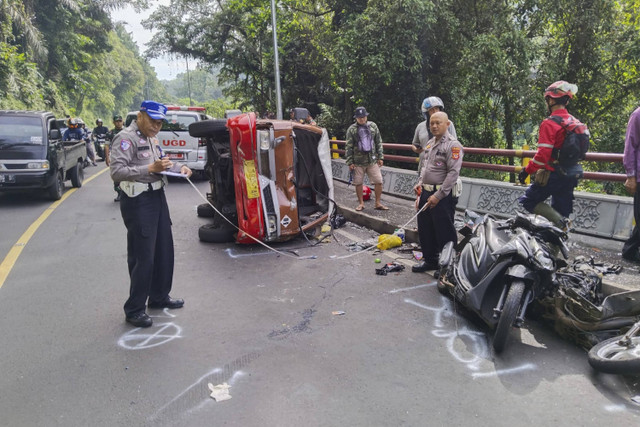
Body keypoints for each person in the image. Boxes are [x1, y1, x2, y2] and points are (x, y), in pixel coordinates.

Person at [110, 100, 192, 328]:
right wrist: (149, 169)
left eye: (160, 123)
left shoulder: (152, 138)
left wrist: (179, 168)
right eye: (153, 121)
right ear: (140, 115)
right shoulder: (126, 138)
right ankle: (135, 308)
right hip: (138, 201)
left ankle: (159, 296)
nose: (156, 126)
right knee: (143, 255)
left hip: (157, 197)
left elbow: (162, 164)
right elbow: (116, 172)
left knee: (163, 250)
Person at [518, 81, 583, 230]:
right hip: (572, 174)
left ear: (551, 100)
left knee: (528, 201)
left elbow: (542, 156)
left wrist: (527, 170)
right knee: (562, 210)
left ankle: (561, 222)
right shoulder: (575, 122)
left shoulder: (550, 123)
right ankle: (555, 248)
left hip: (553, 174)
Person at [412, 111, 463, 273]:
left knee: (444, 230)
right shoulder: (430, 143)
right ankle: (430, 260)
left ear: (447, 124)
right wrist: (419, 184)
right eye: (431, 123)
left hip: (443, 194)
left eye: (438, 123)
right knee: (425, 227)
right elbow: (425, 168)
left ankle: (447, 265)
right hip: (426, 192)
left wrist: (438, 195)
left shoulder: (453, 145)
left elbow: (453, 174)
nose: (434, 126)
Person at [344, 106, 388, 211]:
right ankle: (361, 203)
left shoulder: (373, 126)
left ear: (366, 116)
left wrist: (380, 156)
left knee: (379, 181)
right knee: (358, 183)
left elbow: (378, 142)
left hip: (372, 160)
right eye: (359, 117)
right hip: (358, 161)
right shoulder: (352, 129)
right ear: (356, 118)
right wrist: (350, 162)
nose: (362, 119)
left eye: (363, 117)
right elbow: (348, 146)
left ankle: (377, 203)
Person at [411, 96, 457, 175]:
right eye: (432, 110)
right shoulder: (420, 126)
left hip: (441, 168)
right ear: (426, 112)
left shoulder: (448, 124)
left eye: (437, 108)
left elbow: (454, 145)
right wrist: (417, 149)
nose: (435, 111)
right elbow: (414, 144)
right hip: (424, 168)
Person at [622, 107, 640, 263]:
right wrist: (631, 176)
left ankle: (630, 250)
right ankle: (630, 250)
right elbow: (630, 146)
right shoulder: (638, 114)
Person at [106, 115, 125, 201]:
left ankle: (127, 194)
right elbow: (106, 145)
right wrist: (107, 157)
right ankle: (119, 194)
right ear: (113, 123)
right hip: (116, 157)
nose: (118, 123)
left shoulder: (127, 131)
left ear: (122, 122)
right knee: (116, 176)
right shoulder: (110, 133)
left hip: (126, 157)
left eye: (120, 121)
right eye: (116, 121)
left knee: (128, 175)